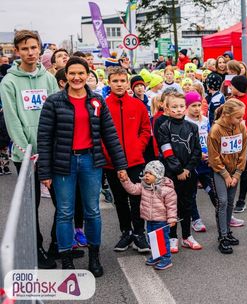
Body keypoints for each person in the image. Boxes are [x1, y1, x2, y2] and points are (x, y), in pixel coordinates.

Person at [38, 56, 128, 276]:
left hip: (90, 162)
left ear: (88, 75)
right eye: (72, 73)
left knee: (93, 212)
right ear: (65, 76)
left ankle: (94, 258)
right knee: (65, 213)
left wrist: (120, 165)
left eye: (81, 73)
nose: (77, 78)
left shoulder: (97, 101)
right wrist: (45, 171)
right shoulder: (53, 101)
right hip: (63, 164)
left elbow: (110, 135)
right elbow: (44, 138)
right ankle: (67, 259)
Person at [1, 30, 59, 269]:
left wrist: (54, 145)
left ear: (40, 49)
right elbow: (12, 120)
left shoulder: (49, 79)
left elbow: (58, 111)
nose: (30, 52)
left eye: (34, 47)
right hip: (25, 156)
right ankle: (35, 249)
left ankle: (58, 244)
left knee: (63, 200)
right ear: (17, 51)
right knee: (31, 204)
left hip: (51, 151)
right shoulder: (9, 82)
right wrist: (27, 152)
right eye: (25, 48)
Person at [104, 67, 152, 253]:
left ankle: (140, 233)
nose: (119, 84)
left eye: (122, 81)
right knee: (120, 199)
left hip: (135, 161)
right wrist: (111, 155)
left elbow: (145, 130)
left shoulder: (137, 105)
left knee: (137, 198)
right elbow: (99, 134)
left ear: (127, 82)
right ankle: (126, 232)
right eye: (115, 81)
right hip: (112, 162)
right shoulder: (103, 105)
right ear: (109, 83)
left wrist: (137, 148)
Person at [156, 92, 203, 252]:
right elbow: (166, 151)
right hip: (171, 174)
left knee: (187, 204)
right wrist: (178, 170)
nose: (178, 110)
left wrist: (188, 169)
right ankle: (172, 236)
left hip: (189, 174)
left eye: (181, 106)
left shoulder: (193, 127)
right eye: (174, 107)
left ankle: (187, 236)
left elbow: (197, 150)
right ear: (167, 109)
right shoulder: (164, 127)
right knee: (171, 206)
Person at [207, 99, 247, 254]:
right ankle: (222, 236)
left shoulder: (241, 127)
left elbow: (243, 152)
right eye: (238, 117)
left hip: (234, 171)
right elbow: (214, 156)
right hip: (220, 171)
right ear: (227, 115)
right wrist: (225, 175)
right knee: (222, 202)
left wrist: (237, 173)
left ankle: (228, 231)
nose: (241, 120)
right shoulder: (215, 130)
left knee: (231, 201)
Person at [120, 161, 177, 270]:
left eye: (150, 174)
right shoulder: (144, 186)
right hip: (149, 219)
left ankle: (166, 258)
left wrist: (172, 218)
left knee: (162, 240)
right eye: (146, 173)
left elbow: (171, 206)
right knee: (152, 239)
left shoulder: (166, 190)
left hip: (161, 220)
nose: (146, 176)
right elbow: (132, 189)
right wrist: (125, 181)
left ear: (158, 175)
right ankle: (157, 256)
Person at [184, 91, 216, 233]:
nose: (196, 108)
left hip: (206, 162)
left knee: (212, 189)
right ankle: (195, 219)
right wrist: (198, 154)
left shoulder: (204, 120)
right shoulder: (184, 121)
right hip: (193, 162)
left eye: (198, 105)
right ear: (186, 107)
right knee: (191, 193)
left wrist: (211, 154)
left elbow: (209, 137)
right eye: (193, 105)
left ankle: (223, 214)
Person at [230, 75, 247, 213]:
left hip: (244, 140)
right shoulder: (230, 100)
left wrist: (244, 138)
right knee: (230, 169)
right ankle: (229, 199)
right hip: (230, 140)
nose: (230, 87)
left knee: (244, 169)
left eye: (232, 85)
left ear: (237, 87)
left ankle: (241, 200)